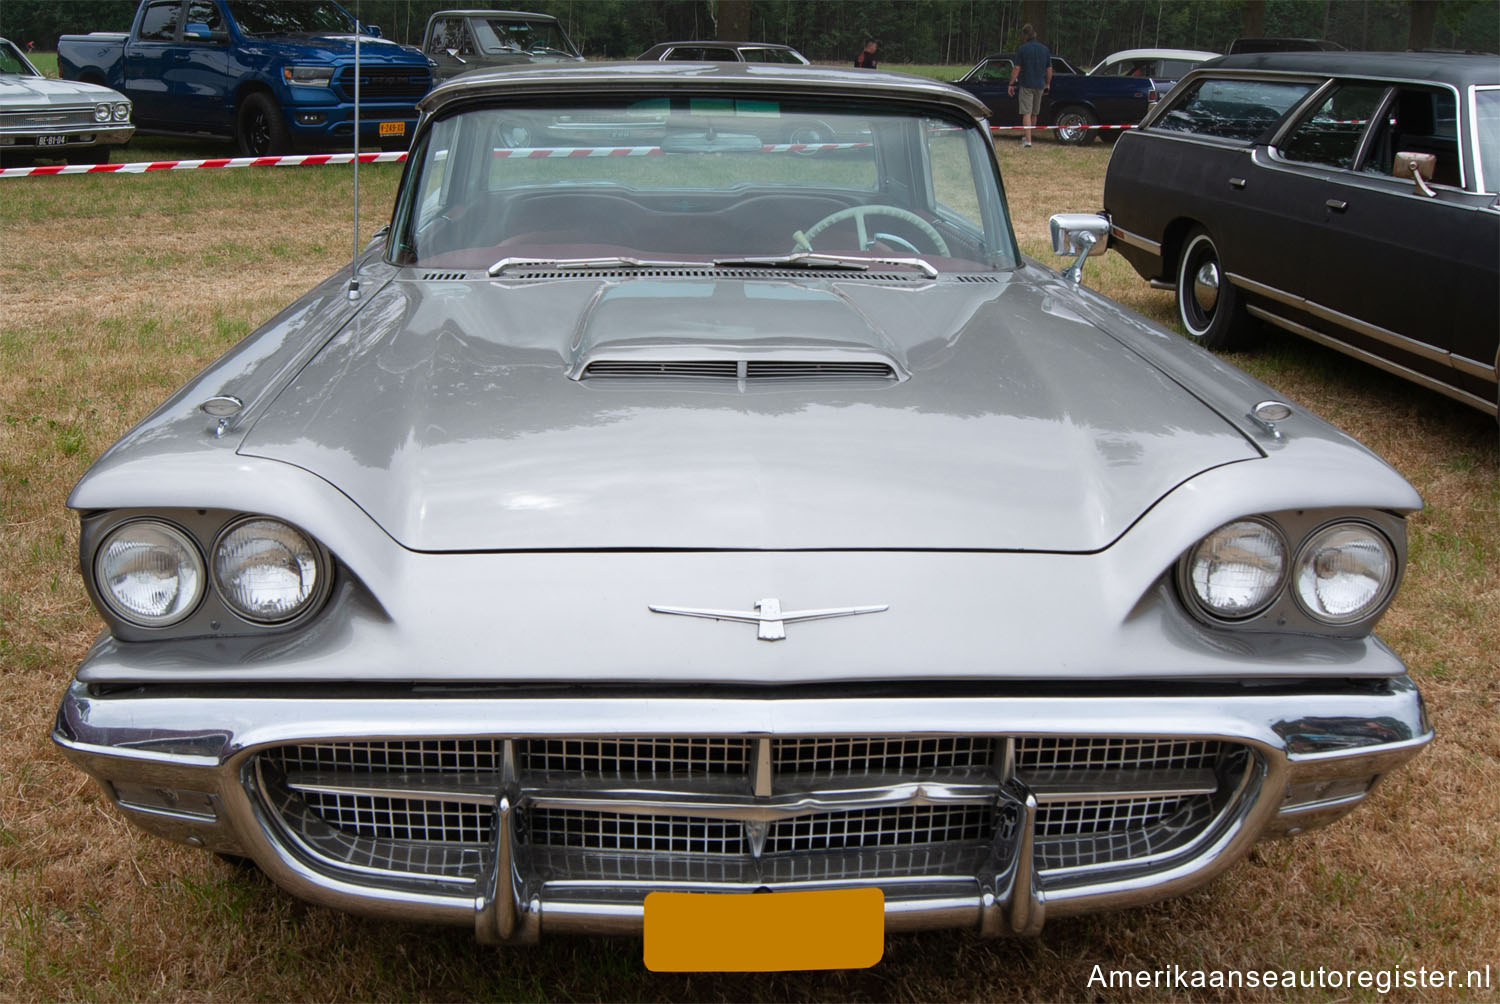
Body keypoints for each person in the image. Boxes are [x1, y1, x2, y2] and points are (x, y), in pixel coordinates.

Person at [1006, 24, 1052, 147]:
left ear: (1025, 35)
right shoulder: (1045, 50)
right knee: (1034, 113)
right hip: (1040, 85)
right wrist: (1048, 83)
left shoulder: (1022, 49)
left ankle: (1028, 140)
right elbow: (1049, 69)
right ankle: (1029, 136)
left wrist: (1011, 83)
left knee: (1026, 112)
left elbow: (1016, 68)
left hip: (1027, 84)